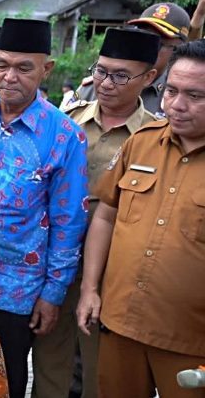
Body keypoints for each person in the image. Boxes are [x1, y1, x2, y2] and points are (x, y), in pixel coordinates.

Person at [0, 18, 88, 398]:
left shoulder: (64, 135)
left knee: (4, 383)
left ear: (46, 69)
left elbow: (68, 221)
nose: (8, 77)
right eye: (1, 64)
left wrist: (53, 293)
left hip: (17, 289)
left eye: (24, 68)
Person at [31, 27, 161, 398]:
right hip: (55, 265)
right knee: (49, 363)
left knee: (101, 370)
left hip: (114, 273)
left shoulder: (154, 136)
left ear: (149, 77)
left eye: (121, 75)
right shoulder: (65, 121)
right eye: (101, 71)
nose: (106, 83)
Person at [76, 39, 205, 398]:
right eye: (171, 91)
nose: (177, 105)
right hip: (119, 324)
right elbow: (106, 215)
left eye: (195, 96)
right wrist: (90, 289)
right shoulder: (142, 142)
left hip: (191, 341)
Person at [76, 2, 190, 117]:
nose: (144, 47)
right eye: (139, 37)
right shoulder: (95, 85)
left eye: (156, 44)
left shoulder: (178, 97)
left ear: (177, 50)